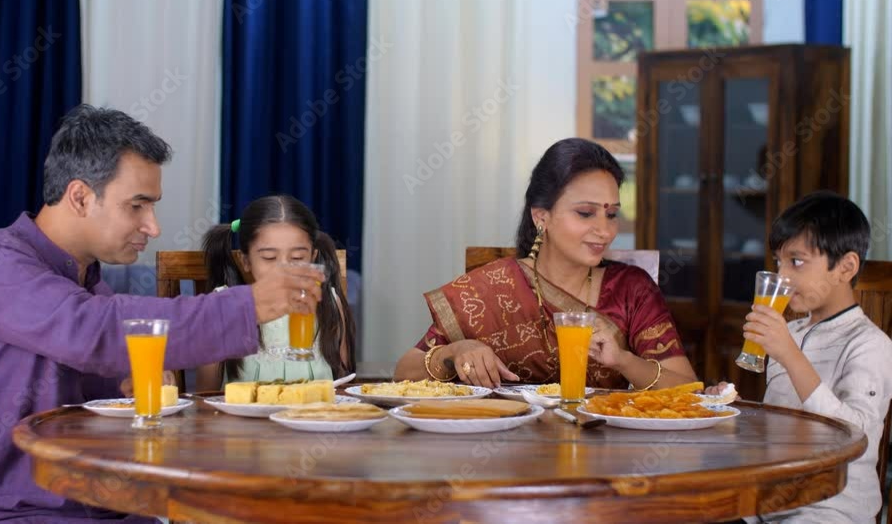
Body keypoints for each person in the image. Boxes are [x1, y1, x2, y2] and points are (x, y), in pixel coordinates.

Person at [0, 105, 324, 523]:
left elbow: (101, 362)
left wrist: (130, 385)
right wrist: (253, 303)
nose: (153, 227)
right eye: (137, 206)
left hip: (93, 503)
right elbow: (92, 330)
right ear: (80, 196)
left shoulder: (89, 281)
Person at [394, 138, 698, 390]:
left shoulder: (631, 288)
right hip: (507, 447)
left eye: (612, 214)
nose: (605, 231)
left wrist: (623, 360)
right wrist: (455, 351)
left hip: (601, 451)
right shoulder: (489, 288)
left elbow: (686, 388)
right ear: (541, 217)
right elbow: (403, 372)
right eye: (585, 213)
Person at [725, 192, 892, 523]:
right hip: (771, 502)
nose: (782, 277)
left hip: (830, 508)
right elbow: (781, 423)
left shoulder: (871, 345)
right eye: (778, 262)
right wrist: (734, 410)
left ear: (845, 268)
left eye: (796, 262)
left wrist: (789, 355)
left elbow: (856, 435)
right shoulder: (794, 332)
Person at [195, 195, 356, 389]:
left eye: (297, 257)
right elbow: (205, 399)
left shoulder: (329, 303)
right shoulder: (225, 307)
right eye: (269, 258)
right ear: (246, 260)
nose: (284, 270)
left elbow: (344, 391)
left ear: (313, 257)